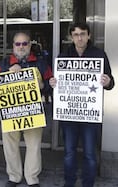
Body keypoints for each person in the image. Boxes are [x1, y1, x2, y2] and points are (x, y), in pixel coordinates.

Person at [49, 22, 114, 187]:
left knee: (90, 154)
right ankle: (69, 183)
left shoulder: (99, 55)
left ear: (89, 35)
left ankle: (88, 184)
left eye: (83, 34)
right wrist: (53, 83)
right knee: (69, 153)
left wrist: (107, 82)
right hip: (69, 114)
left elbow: (110, 83)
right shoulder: (63, 57)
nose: (80, 38)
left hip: (90, 115)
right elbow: (57, 85)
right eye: (76, 34)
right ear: (71, 37)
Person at [0, 32, 52, 187]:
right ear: (13, 46)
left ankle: (32, 178)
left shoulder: (40, 63)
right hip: (11, 113)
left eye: (24, 44)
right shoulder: (4, 63)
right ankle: (14, 177)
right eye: (18, 44)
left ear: (30, 45)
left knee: (34, 146)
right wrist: (8, 74)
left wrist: (42, 86)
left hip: (33, 112)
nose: (21, 47)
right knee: (10, 146)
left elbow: (51, 85)